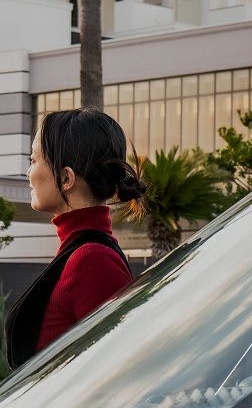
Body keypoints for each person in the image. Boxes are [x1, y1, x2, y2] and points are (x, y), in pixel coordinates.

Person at [4, 108, 146, 369]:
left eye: (33, 160)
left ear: (66, 178)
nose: (28, 173)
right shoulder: (80, 252)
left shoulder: (92, 259)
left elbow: (114, 369)